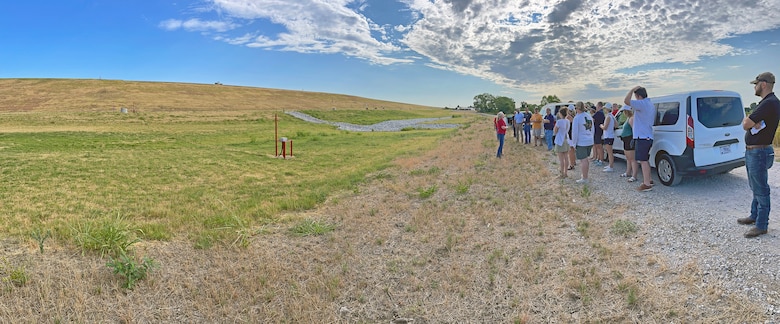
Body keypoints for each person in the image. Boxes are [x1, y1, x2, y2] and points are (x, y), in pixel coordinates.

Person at [737, 72, 780, 238]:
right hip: (756, 151)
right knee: (755, 186)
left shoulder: (769, 103)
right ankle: (754, 216)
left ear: (763, 84)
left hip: (759, 152)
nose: (754, 87)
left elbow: (746, 124)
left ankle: (761, 225)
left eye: (756, 84)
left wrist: (749, 119)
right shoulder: (768, 102)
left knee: (761, 189)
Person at [625, 86, 655, 192]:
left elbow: (626, 101)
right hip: (647, 136)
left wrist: (632, 89)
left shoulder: (642, 103)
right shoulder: (649, 104)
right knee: (645, 160)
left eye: (635, 96)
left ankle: (646, 184)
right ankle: (649, 180)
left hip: (642, 136)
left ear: (638, 96)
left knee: (643, 160)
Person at [571, 101, 594, 184]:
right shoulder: (589, 116)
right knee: (586, 159)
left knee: (583, 160)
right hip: (589, 140)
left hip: (582, 141)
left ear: (577, 108)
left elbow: (575, 132)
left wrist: (574, 143)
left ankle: (585, 178)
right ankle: (584, 175)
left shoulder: (577, 118)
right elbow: (593, 129)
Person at [619, 108, 639, 182]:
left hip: (630, 139)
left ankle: (634, 175)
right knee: (628, 158)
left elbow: (634, 130)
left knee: (632, 159)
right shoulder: (628, 118)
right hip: (626, 140)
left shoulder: (631, 119)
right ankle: (628, 172)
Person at [553, 107, 571, 178]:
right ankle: (566, 173)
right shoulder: (568, 121)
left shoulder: (559, 121)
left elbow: (555, 131)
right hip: (566, 139)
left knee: (561, 159)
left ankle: (562, 173)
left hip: (560, 140)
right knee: (566, 157)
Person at [600, 105, 617, 172]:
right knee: (609, 152)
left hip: (608, 136)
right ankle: (610, 164)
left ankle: (611, 166)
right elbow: (616, 125)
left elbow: (605, 127)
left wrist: (601, 125)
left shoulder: (608, 117)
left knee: (609, 152)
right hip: (611, 135)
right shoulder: (612, 116)